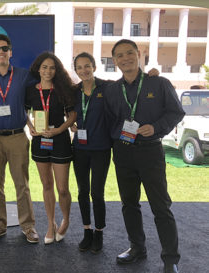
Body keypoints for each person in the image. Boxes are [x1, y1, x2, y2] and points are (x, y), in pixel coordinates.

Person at [104, 39, 184, 273]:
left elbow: (176, 112)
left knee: (160, 206)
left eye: (129, 53)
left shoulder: (158, 83)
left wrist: (156, 127)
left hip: (150, 151)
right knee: (129, 204)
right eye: (119, 55)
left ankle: (171, 259)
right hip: (123, 152)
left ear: (139, 54)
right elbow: (110, 120)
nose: (125, 58)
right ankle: (137, 248)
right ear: (115, 60)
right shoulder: (111, 90)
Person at [0, 34, 38, 243]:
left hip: (17, 137)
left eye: (4, 48)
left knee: (22, 184)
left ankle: (28, 226)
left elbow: (45, 86)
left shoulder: (24, 75)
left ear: (11, 52)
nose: (1, 52)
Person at [25, 52, 76, 244]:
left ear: (57, 70)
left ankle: (66, 220)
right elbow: (24, 111)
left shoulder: (63, 89)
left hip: (60, 139)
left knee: (62, 188)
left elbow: (72, 116)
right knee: (47, 185)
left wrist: (59, 131)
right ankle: (50, 224)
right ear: (38, 69)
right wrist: (30, 128)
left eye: (52, 68)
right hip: (40, 142)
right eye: (44, 67)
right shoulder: (30, 90)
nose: (48, 71)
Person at [71, 52, 112, 253]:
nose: (83, 70)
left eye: (87, 66)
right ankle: (86, 230)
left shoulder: (107, 87)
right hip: (79, 148)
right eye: (79, 67)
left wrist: (152, 75)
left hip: (101, 148)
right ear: (76, 70)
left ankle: (99, 232)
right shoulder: (74, 91)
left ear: (94, 67)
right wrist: (71, 125)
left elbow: (129, 87)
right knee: (82, 191)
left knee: (97, 192)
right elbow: (69, 113)